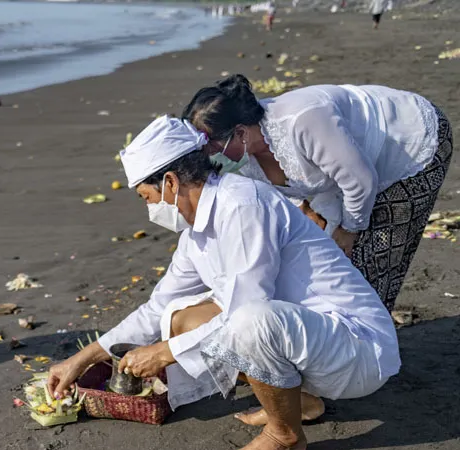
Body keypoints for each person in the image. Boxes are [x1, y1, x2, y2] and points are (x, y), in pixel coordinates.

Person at [47, 115, 399, 450]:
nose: (149, 208)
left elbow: (248, 311)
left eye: (146, 197)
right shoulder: (196, 233)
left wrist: (165, 352)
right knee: (180, 318)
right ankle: (301, 401)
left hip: (356, 349)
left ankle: (285, 437)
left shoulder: (243, 205)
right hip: (308, 340)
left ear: (170, 182)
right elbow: (157, 308)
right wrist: (81, 360)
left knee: (248, 321)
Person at [183, 74, 452, 312]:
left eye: (213, 147)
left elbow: (360, 181)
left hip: (410, 142)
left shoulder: (303, 120)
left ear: (241, 133)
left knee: (371, 261)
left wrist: (348, 231)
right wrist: (308, 213)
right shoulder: (243, 158)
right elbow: (285, 199)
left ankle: (373, 341)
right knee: (327, 265)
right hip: (350, 172)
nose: (212, 156)